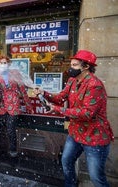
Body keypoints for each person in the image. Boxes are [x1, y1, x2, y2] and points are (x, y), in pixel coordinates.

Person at [33, 50, 114, 187]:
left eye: (75, 65)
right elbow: (60, 98)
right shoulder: (72, 80)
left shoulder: (95, 85)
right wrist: (44, 93)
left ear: (86, 66)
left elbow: (87, 113)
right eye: (71, 64)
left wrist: (57, 109)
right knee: (66, 161)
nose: (71, 68)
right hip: (76, 133)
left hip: (94, 137)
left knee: (96, 178)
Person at [0, 55, 33, 159]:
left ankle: (13, 151)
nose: (3, 65)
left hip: (13, 105)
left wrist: (28, 105)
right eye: (1, 63)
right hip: (1, 106)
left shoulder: (15, 74)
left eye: (5, 63)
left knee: (11, 129)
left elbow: (22, 90)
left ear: (8, 64)